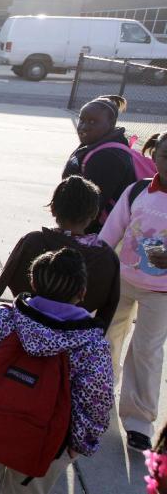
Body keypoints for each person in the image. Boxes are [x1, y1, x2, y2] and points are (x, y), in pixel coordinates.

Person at [0, 248, 113, 494]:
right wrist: (81, 442)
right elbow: (96, 398)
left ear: (33, 282)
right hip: (45, 441)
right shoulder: (90, 346)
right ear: (82, 293)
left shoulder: (1, 319)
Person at [0, 176, 120, 334]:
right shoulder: (107, 258)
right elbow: (110, 305)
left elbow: (2, 282)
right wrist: (98, 338)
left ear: (53, 209)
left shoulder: (32, 242)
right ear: (95, 213)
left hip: (22, 330)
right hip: (71, 339)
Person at [99, 131, 167, 452]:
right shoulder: (137, 190)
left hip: (161, 293)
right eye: (166, 156)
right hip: (122, 281)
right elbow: (111, 232)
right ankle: (101, 391)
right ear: (154, 156)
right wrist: (96, 264)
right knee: (109, 335)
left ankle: (139, 420)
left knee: (147, 351)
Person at [62, 95, 137, 233]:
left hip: (94, 236)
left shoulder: (108, 157)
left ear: (111, 123)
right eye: (82, 120)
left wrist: (70, 234)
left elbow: (92, 207)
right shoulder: (92, 144)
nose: (84, 126)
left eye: (92, 122)